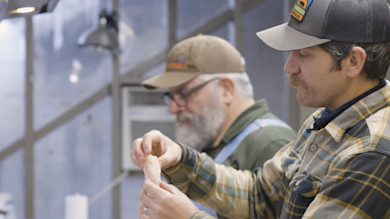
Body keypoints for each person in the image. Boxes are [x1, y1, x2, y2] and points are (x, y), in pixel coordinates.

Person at [131, 0, 390, 218]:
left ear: (353, 61)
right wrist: (181, 160)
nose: (289, 67)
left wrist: (188, 216)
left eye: (303, 54)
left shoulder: (372, 151)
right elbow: (259, 195)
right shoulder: (324, 122)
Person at [141, 34, 297, 217]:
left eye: (184, 93)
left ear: (226, 90)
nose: (173, 108)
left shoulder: (271, 144)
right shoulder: (213, 141)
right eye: (171, 96)